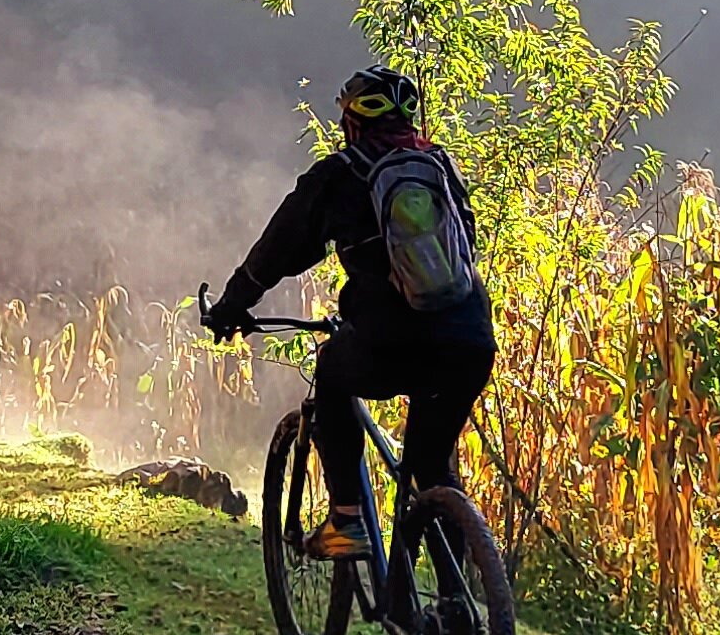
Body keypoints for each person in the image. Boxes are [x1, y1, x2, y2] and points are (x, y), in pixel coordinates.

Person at [200, 65, 497, 569]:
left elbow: (275, 252)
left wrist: (232, 307)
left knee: (334, 370)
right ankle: (460, 608)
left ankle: (348, 519)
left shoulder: (339, 174)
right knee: (431, 465)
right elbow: (466, 244)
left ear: (351, 121)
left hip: (390, 344)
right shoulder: (441, 167)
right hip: (470, 338)